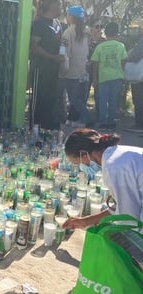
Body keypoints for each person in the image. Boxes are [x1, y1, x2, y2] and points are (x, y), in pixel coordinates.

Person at [62, 128, 143, 229]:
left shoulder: (114, 166)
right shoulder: (118, 153)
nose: (83, 167)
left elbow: (128, 218)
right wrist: (86, 221)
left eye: (80, 163)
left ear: (84, 154)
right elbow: (122, 206)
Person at [29, 0, 64, 130]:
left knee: (52, 101)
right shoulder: (38, 23)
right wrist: (52, 57)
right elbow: (34, 47)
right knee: (40, 101)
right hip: (40, 69)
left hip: (54, 71)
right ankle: (35, 130)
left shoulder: (57, 24)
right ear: (52, 5)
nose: (61, 7)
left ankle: (50, 130)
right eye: (59, 4)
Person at [91, 22, 128, 129]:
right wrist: (121, 73)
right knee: (113, 100)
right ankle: (111, 121)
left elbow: (95, 63)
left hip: (103, 77)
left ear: (105, 33)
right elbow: (124, 61)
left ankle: (102, 122)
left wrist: (95, 78)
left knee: (103, 100)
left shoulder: (100, 46)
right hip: (117, 77)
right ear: (117, 33)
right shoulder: (121, 46)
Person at [57, 5, 89, 128]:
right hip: (79, 69)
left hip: (66, 70)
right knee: (75, 97)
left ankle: (86, 117)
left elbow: (64, 51)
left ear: (71, 17)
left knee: (62, 96)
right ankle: (75, 119)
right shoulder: (85, 32)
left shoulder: (68, 32)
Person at [125, 33, 143, 133]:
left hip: (140, 75)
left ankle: (139, 124)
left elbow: (137, 54)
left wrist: (127, 57)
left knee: (139, 99)